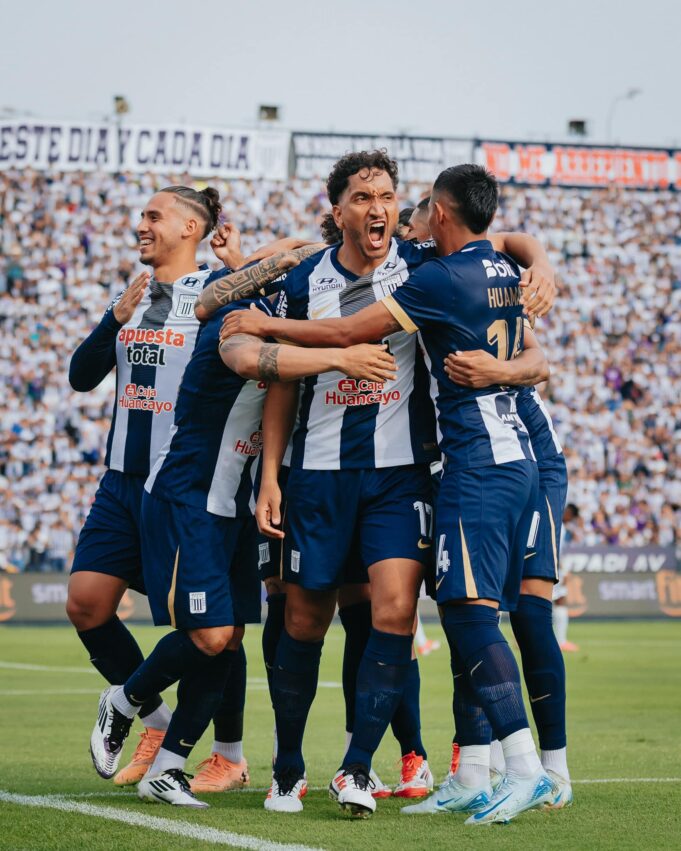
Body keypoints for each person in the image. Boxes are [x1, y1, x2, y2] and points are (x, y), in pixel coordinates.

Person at [218, 151, 556, 816]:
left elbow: (498, 237)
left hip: (399, 477)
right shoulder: (306, 277)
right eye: (363, 195)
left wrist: (538, 260)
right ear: (338, 208)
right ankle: (288, 766)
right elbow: (282, 381)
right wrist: (269, 475)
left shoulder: (422, 263)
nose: (377, 207)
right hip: (315, 474)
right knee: (303, 618)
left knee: (394, 610)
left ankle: (354, 767)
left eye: (387, 195)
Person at [88, 281, 397, 806]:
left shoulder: (290, 319)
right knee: (209, 636)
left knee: (229, 641)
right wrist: (340, 355)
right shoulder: (235, 318)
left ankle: (168, 769)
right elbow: (254, 358)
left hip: (236, 504)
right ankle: (123, 699)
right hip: (188, 497)